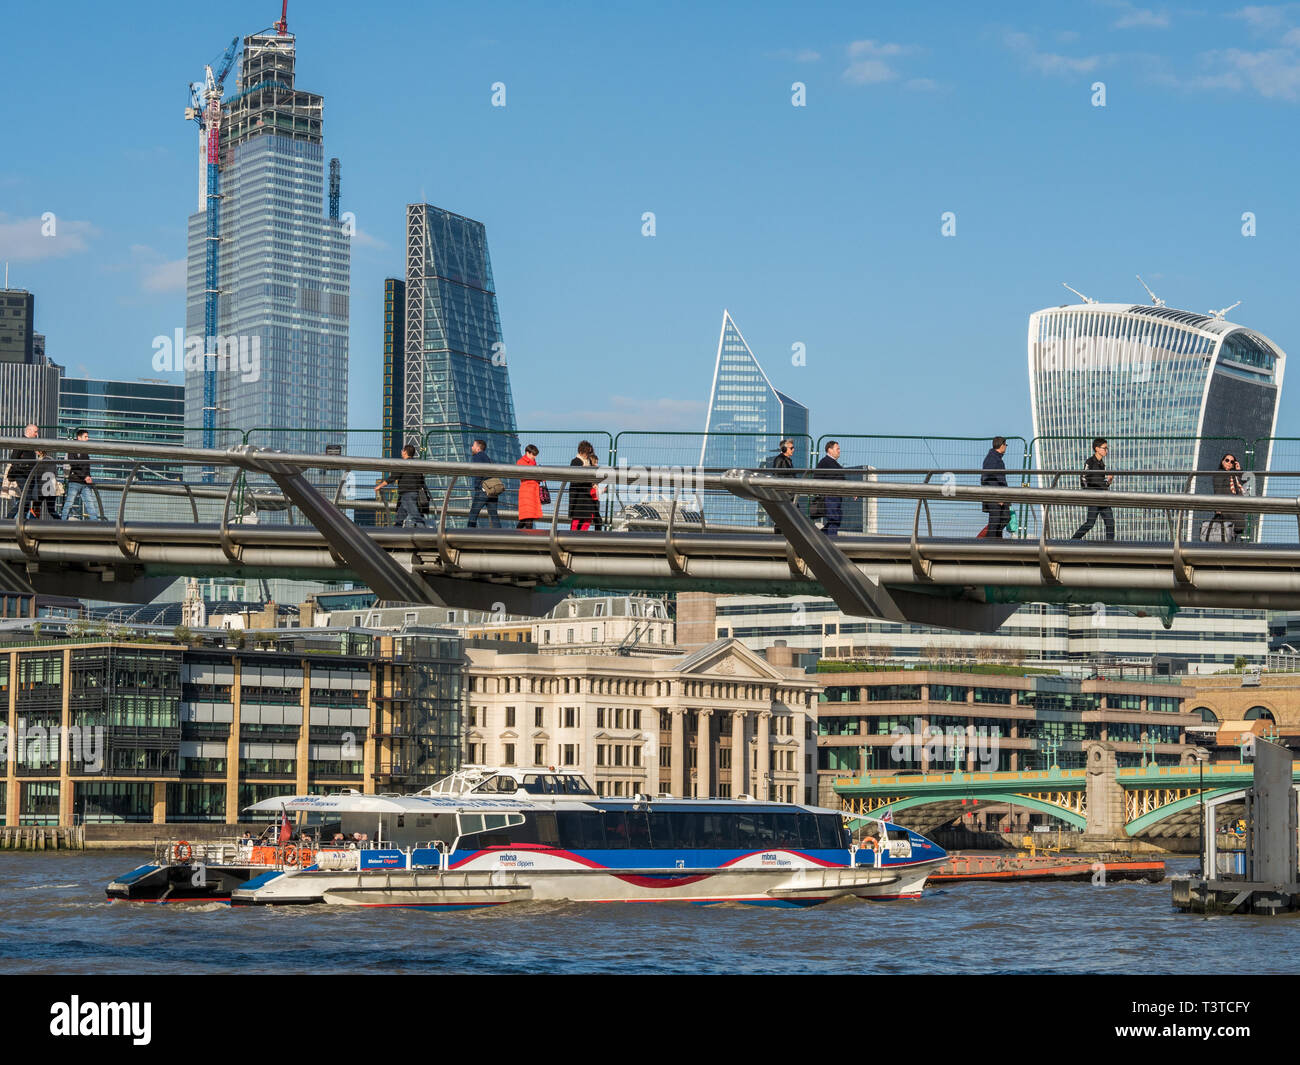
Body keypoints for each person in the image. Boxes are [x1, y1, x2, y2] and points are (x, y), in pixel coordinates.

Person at [374, 443, 429, 527]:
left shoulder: (403, 464)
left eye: (402, 450)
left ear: (405, 452)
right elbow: (421, 480)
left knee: (415, 516)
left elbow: (393, 477)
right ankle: (396, 532)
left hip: (407, 493)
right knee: (399, 517)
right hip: (413, 493)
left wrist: (380, 486)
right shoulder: (417, 464)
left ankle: (423, 532)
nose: (401, 451)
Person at [1071, 437, 1115, 540]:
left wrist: (1108, 481)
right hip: (1094, 497)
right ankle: (1073, 540)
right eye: (1104, 448)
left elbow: (1101, 484)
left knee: (1110, 523)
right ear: (1097, 449)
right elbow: (1083, 477)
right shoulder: (1090, 461)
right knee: (1090, 523)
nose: (1106, 450)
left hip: (1103, 497)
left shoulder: (1102, 464)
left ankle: (1110, 547)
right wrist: (1088, 493)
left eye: (1106, 448)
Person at [63, 428, 100, 521]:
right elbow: (74, 465)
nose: (87, 439)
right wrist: (86, 477)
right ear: (79, 437)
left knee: (90, 504)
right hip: (75, 481)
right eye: (86, 436)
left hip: (84, 482)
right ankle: (63, 521)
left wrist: (88, 477)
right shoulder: (71, 448)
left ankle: (96, 524)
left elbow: (86, 466)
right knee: (69, 503)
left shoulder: (85, 449)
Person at [4, 423, 39, 519]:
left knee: (27, 498)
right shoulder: (22, 442)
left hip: (28, 474)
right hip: (22, 474)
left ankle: (22, 518)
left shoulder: (28, 442)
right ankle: (10, 517)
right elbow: (14, 458)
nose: (36, 434)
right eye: (35, 432)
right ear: (29, 431)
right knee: (26, 497)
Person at [1211, 452, 1248, 541]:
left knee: (1231, 532)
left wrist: (1238, 470)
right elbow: (1218, 490)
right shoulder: (1220, 473)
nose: (1229, 463)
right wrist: (1218, 508)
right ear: (1222, 462)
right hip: (1225, 508)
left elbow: (1243, 482)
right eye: (1227, 460)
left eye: (1232, 462)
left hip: (1235, 508)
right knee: (1225, 532)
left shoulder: (1234, 476)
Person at [466, 438, 502, 528]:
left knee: (473, 514)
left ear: (478, 448)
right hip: (492, 490)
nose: (471, 447)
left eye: (473, 446)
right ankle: (500, 535)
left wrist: (477, 487)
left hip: (483, 489)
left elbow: (479, 472)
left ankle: (468, 535)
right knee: (493, 515)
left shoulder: (477, 456)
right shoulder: (487, 458)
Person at [981, 435, 1010, 539]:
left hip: (999, 494)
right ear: (1001, 445)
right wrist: (998, 496)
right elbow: (988, 478)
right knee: (996, 520)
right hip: (995, 495)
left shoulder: (995, 458)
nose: (1006, 447)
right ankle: (991, 542)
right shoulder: (992, 458)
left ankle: (996, 540)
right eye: (1005, 445)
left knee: (1004, 517)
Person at [568, 440, 600, 531]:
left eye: (589, 452)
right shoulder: (575, 461)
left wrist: (593, 484)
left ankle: (582, 534)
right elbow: (575, 478)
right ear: (582, 451)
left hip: (587, 494)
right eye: (587, 452)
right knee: (577, 517)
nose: (588, 454)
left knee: (588, 517)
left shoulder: (589, 461)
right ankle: (572, 535)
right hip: (578, 494)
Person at [816, 440, 845, 536]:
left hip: (834, 496)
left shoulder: (831, 463)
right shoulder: (825, 462)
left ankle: (820, 537)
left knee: (836, 519)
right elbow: (817, 478)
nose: (839, 451)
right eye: (837, 449)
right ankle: (831, 540)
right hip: (830, 496)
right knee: (834, 519)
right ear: (830, 450)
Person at [516, 444, 543, 529]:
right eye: (533, 455)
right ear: (527, 452)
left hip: (533, 492)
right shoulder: (521, 462)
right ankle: (529, 538)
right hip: (527, 493)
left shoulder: (533, 463)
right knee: (528, 517)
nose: (534, 457)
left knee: (527, 517)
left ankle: (515, 535)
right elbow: (523, 476)